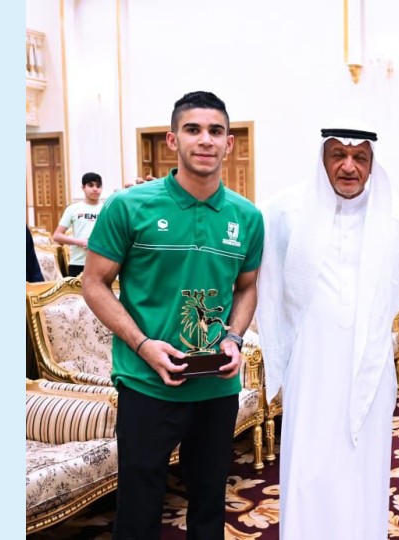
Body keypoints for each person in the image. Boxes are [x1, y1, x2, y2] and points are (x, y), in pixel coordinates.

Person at [82, 91, 264, 540]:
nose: (205, 140)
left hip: (216, 385)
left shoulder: (247, 217)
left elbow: (246, 287)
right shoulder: (129, 206)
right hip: (146, 382)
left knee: (209, 507)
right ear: (172, 140)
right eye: (193, 129)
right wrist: (144, 346)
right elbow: (94, 284)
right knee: (139, 509)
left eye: (216, 131)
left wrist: (234, 338)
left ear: (229, 144)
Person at [256, 122, 399, 539]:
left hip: (370, 365)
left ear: (372, 163)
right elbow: (263, 282)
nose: (349, 166)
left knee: (363, 465)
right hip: (310, 365)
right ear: (322, 159)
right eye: (338, 155)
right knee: (309, 466)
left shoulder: (396, 221)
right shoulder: (284, 211)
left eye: (360, 157)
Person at [53, 172, 103, 276]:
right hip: (78, 263)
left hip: (102, 261)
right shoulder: (73, 209)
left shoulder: (107, 209)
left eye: (98, 186)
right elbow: (57, 236)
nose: (95, 189)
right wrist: (78, 242)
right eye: (91, 185)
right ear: (83, 187)